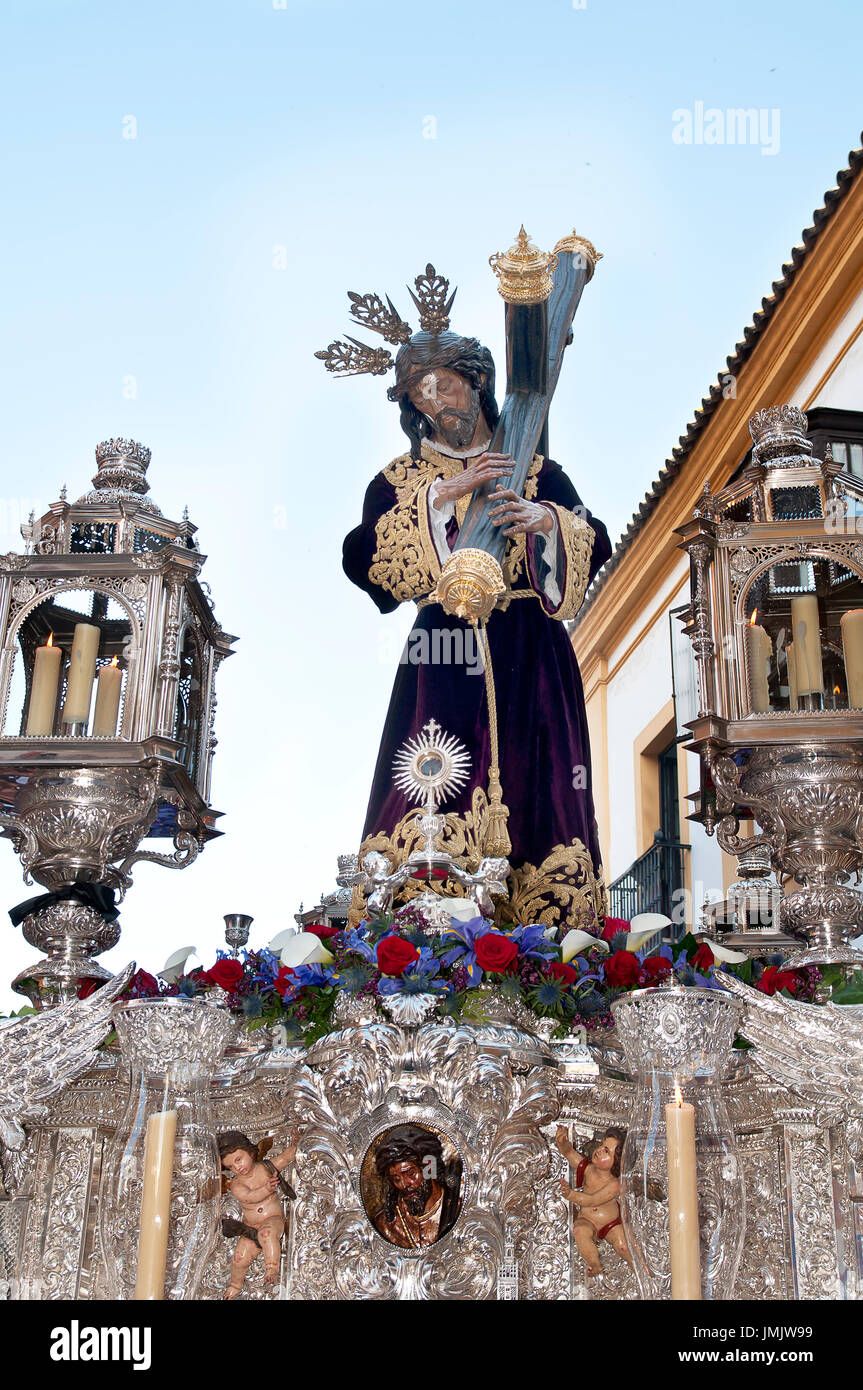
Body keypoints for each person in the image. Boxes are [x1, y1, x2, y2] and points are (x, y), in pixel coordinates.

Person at [343, 326, 612, 928]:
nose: (434, 404)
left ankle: (554, 955)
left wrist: (545, 521)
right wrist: (440, 498)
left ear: (480, 381)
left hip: (533, 655)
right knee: (430, 782)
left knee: (544, 787)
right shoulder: (400, 480)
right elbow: (364, 560)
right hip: (443, 656)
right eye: (418, 394)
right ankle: (423, 939)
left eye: (444, 386)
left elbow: (595, 540)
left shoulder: (540, 471)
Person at [217, 1129, 298, 1299]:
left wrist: (296, 1143)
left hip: (273, 1219)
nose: (237, 1167)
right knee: (239, 1258)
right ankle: (235, 1284)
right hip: (250, 1227)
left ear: (250, 1153)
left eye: (239, 1160)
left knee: (267, 1234)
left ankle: (272, 1268)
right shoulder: (236, 1184)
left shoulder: (266, 1167)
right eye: (231, 1166)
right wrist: (266, 1189)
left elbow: (285, 1157)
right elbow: (248, 1198)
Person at [555, 1124, 633, 1276]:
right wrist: (562, 1141)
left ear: (617, 1162)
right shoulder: (587, 1169)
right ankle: (594, 1264)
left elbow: (592, 1200)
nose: (599, 1151)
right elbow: (569, 1153)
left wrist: (571, 1195)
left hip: (609, 1224)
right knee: (579, 1231)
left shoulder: (614, 1184)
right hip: (587, 1219)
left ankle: (639, 1268)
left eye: (606, 1152)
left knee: (624, 1246)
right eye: (602, 1145)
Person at [371, 1124, 462, 1250]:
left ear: (428, 1168)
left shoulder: (458, 1211)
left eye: (410, 1174)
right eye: (396, 1179)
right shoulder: (386, 1224)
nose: (404, 1185)